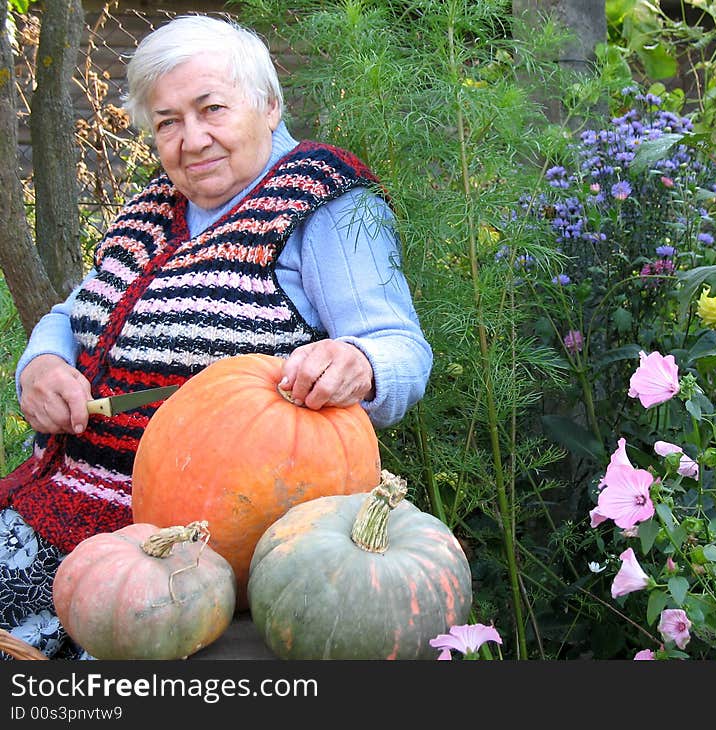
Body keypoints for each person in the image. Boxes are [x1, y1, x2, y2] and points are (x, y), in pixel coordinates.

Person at [0, 14, 432, 659]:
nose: (191, 139)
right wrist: (42, 364)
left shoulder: (327, 202)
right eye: (167, 121)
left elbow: (400, 347)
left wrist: (358, 362)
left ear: (269, 104)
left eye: (212, 110)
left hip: (189, 551)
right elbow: (74, 312)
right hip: (59, 507)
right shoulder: (157, 204)